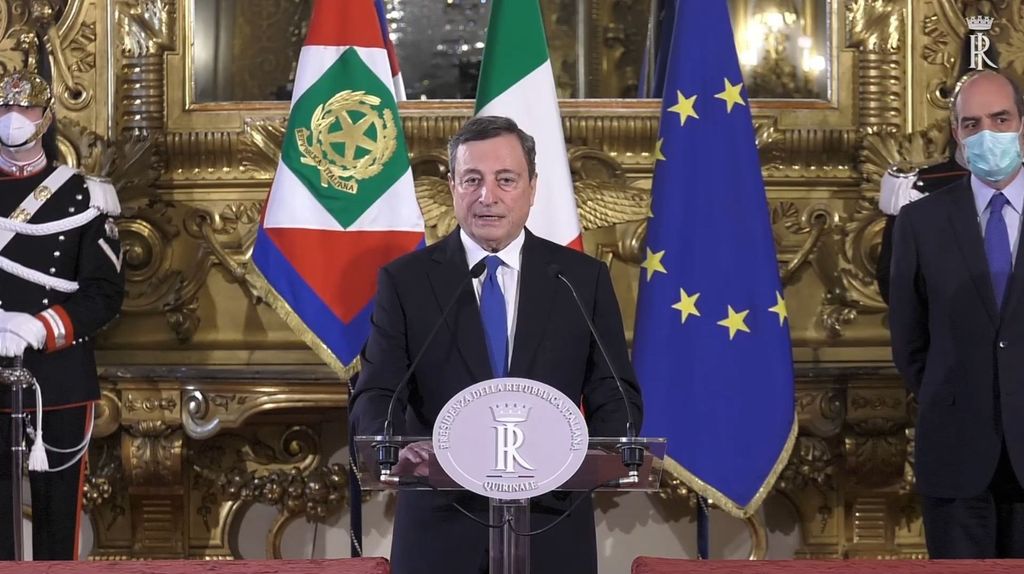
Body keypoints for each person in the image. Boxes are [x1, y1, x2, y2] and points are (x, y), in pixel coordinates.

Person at [349, 115, 642, 574]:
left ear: (532, 187)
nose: (488, 196)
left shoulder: (580, 279)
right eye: (472, 179)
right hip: (442, 530)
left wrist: (606, 450)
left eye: (506, 179)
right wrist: (387, 445)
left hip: (550, 525)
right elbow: (378, 390)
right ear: (452, 186)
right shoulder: (406, 282)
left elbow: (615, 391)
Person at [890, 69, 1024, 558]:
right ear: (957, 135)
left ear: (1022, 124)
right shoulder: (920, 222)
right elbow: (909, 341)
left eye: (1001, 119)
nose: (987, 134)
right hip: (956, 459)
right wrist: (952, 399)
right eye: (972, 124)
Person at [0, 65, 124, 560]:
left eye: (25, 107)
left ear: (46, 117)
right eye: (5, 107)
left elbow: (104, 293)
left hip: (58, 379)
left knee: (56, 528)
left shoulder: (85, 196)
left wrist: (40, 326)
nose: (13, 117)